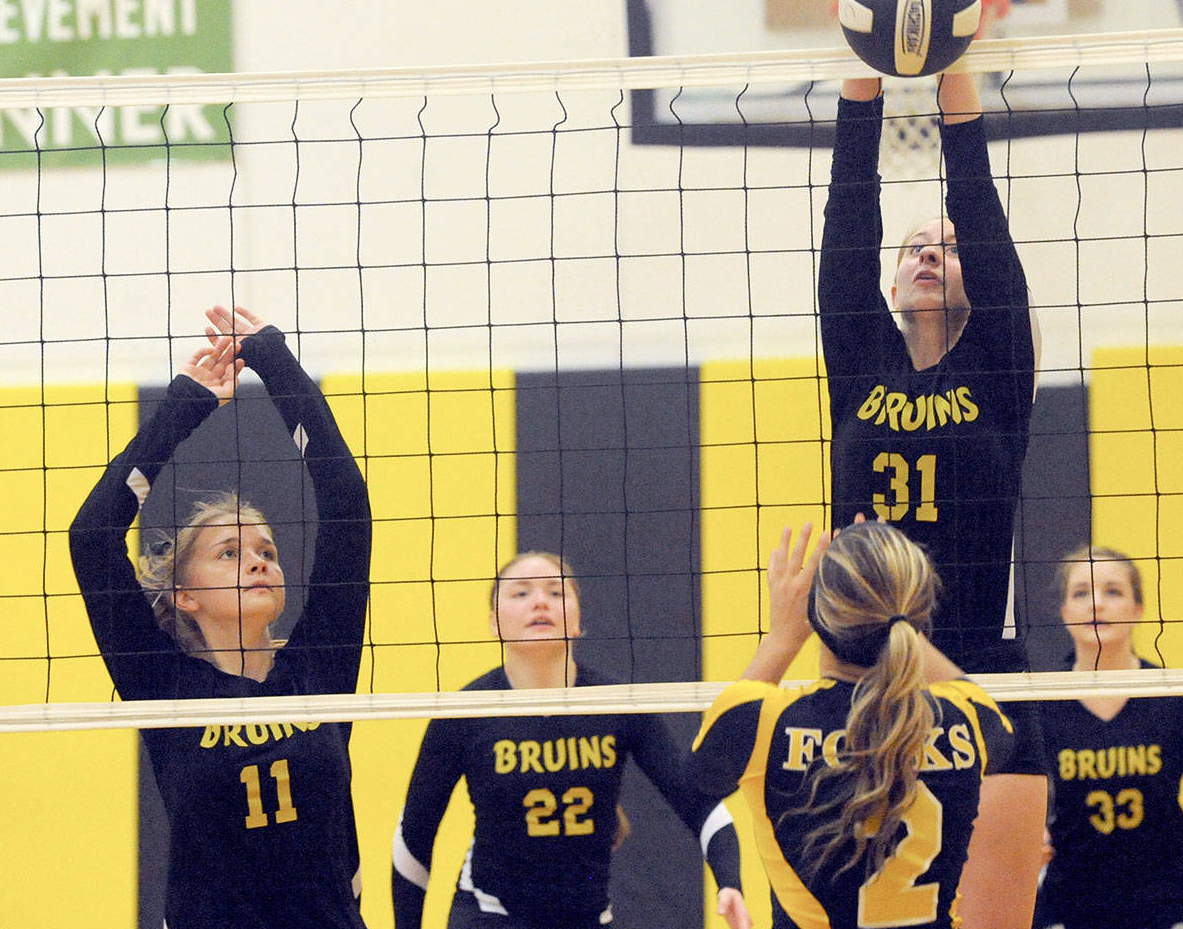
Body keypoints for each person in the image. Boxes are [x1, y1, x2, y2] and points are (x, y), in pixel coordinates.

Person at [821, 0, 1045, 926]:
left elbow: (980, 212)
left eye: (942, 248)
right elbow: (847, 217)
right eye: (915, 246)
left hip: (971, 667)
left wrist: (948, 50)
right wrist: (865, 63)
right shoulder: (858, 362)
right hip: (855, 677)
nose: (928, 251)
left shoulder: (995, 368)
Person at [68, 305, 373, 929]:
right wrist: (187, 402)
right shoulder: (163, 686)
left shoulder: (319, 666)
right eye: (230, 553)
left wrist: (272, 359)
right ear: (185, 594)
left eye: (266, 551)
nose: (259, 563)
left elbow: (345, 501)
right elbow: (91, 536)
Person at [391, 550, 750, 929]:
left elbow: (697, 799)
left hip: (588, 917)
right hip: (490, 914)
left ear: (577, 621)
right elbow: (415, 833)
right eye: (521, 593)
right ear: (495, 623)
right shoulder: (465, 712)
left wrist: (730, 883)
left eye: (556, 593)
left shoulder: (617, 704)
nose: (541, 601)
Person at [688, 520, 1015, 929]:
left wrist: (784, 636)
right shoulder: (970, 716)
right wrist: (891, 596)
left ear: (818, 615)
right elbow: (999, 737)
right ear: (917, 613)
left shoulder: (762, 723)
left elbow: (700, 779)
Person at [1036, 545, 1183, 929]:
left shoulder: (1177, 697)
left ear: (1138, 609)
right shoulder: (1037, 703)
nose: (1096, 604)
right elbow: (991, 790)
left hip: (1168, 907)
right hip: (1067, 909)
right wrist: (1023, 833)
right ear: (1064, 612)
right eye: (1081, 593)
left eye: (1113, 591)